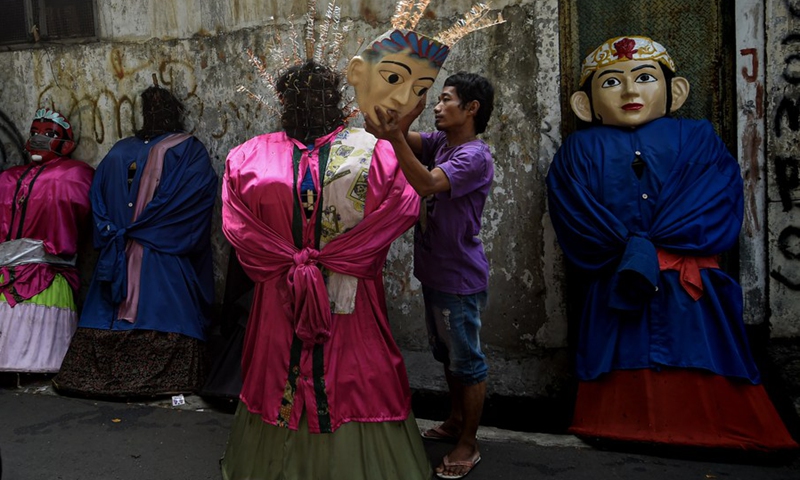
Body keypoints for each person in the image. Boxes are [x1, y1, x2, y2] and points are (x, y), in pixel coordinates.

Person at [546, 36, 798, 451]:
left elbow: (717, 199)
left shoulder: (697, 137)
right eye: (611, 82)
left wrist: (650, 244)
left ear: (675, 91)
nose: (630, 92)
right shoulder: (579, 149)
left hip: (686, 280)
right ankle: (620, 424)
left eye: (644, 78)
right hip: (617, 278)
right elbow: (574, 213)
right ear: (584, 103)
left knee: (698, 344)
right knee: (622, 346)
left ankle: (711, 427)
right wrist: (629, 248)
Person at [220, 56, 431, 479]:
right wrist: (305, 260)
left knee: (347, 372)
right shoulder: (250, 156)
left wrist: (324, 258)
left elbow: (402, 207)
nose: (312, 102)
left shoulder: (373, 151)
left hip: (339, 296)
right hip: (292, 295)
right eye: (305, 95)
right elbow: (238, 224)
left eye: (319, 93)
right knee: (309, 370)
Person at [365, 71, 496, 479]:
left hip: (459, 279)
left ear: (472, 109)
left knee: (467, 362)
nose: (438, 107)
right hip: (436, 274)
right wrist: (408, 110)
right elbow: (393, 139)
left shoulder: (473, 156)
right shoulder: (442, 142)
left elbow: (425, 184)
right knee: (448, 356)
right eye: (437, 101)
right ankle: (456, 420)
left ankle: (468, 444)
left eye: (446, 100)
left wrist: (398, 135)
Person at [53, 84, 217, 397]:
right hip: (161, 255)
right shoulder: (187, 150)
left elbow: (97, 201)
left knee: (110, 314)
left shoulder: (119, 152)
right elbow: (192, 199)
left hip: (121, 252)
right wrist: (147, 228)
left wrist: (114, 230)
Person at [0, 108, 93, 373]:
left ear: (68, 143)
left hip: (48, 268)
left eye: (49, 134)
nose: (39, 140)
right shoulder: (6, 179)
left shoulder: (75, 175)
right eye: (34, 133)